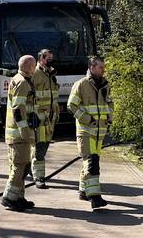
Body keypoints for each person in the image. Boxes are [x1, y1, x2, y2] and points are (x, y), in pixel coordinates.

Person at [67, 55, 113, 210]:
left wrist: (109, 118)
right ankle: (95, 196)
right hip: (86, 131)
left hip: (100, 132)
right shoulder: (81, 84)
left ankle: (83, 191)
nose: (103, 70)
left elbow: (109, 102)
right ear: (92, 67)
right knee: (92, 163)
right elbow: (72, 105)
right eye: (101, 67)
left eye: (103, 67)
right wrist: (88, 119)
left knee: (89, 162)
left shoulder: (105, 85)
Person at [2, 55, 38, 212]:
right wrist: (25, 132)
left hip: (16, 133)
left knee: (22, 165)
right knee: (20, 166)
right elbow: (18, 110)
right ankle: (9, 197)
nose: (35, 68)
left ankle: (19, 197)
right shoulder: (23, 83)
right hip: (19, 135)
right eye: (34, 65)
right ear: (29, 67)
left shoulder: (18, 79)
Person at [30, 48, 59, 189]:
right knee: (40, 147)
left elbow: (53, 96)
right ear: (41, 59)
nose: (51, 61)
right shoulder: (34, 74)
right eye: (48, 59)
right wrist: (32, 115)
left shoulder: (51, 74)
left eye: (51, 59)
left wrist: (56, 112)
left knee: (45, 145)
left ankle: (30, 168)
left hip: (50, 118)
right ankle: (39, 177)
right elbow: (29, 97)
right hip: (39, 118)